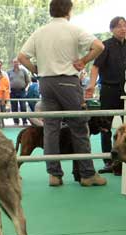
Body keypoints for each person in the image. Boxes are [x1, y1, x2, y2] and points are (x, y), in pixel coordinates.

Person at [18, 0, 107, 187]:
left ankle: (54, 175)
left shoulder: (40, 31)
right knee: (79, 127)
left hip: (45, 83)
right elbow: (99, 46)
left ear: (51, 11)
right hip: (67, 82)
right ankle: (87, 174)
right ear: (69, 11)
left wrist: (36, 69)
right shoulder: (74, 29)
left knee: (50, 128)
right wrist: (83, 60)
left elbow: (21, 57)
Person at [85, 16, 126, 174]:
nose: (123, 29)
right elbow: (95, 68)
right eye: (119, 26)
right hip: (108, 90)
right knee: (105, 127)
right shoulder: (105, 46)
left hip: (125, 92)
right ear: (112, 29)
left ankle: (123, 161)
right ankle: (108, 162)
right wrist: (91, 85)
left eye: (125, 26)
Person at [8, 58, 31, 125]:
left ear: (19, 63)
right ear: (12, 63)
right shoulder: (9, 72)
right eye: (14, 62)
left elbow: (27, 81)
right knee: (14, 106)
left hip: (22, 91)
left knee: (23, 106)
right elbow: (7, 82)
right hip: (12, 91)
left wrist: (24, 87)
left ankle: (24, 121)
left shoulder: (23, 71)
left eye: (17, 62)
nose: (16, 63)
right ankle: (16, 121)